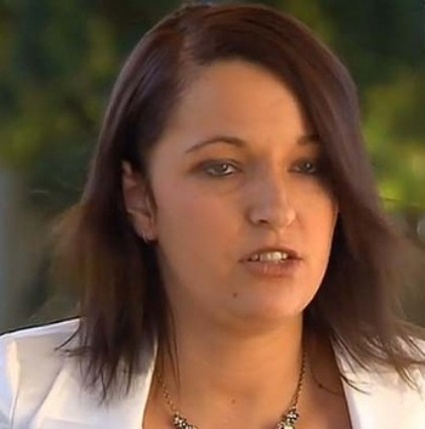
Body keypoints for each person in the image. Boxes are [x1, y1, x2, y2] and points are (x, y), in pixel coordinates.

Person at [1, 2, 424, 428]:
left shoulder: (414, 401)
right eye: (222, 167)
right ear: (140, 198)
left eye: (308, 166)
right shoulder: (17, 395)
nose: (276, 210)